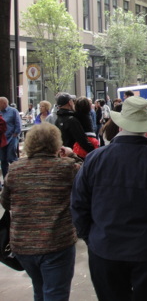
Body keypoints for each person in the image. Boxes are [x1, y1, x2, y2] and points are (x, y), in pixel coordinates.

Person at [71, 96, 147, 300]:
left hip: (105, 248)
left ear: (121, 124)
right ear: (146, 127)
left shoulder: (95, 159)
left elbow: (78, 204)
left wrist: (90, 236)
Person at [1, 123, 81, 301]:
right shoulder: (66, 168)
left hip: (22, 244)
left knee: (39, 289)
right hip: (56, 241)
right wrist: (72, 155)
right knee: (56, 293)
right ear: (56, 143)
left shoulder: (15, 169)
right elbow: (88, 176)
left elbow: (6, 202)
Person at [54, 93, 96, 160]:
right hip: (73, 156)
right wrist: (94, 151)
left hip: (62, 154)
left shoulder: (58, 119)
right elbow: (82, 140)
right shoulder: (72, 120)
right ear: (70, 102)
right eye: (72, 101)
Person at [0, 96, 21, 179]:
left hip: (11, 138)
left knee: (11, 157)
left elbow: (18, 123)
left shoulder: (13, 111)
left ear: (4, 103)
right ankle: (6, 179)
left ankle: (16, 177)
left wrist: (15, 134)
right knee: (3, 159)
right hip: (2, 139)